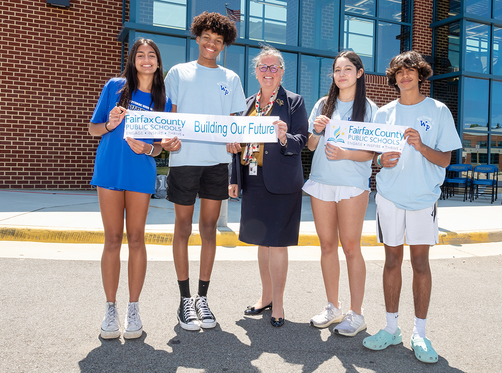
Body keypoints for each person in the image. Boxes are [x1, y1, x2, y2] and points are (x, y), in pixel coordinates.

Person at [362, 51, 462, 363]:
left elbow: (445, 159)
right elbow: (372, 156)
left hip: (422, 200)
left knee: (420, 264)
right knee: (391, 262)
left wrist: (420, 146)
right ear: (393, 77)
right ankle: (392, 329)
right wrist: (380, 160)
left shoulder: (438, 110)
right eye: (400, 72)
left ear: (420, 75)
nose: (405, 76)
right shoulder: (384, 114)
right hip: (390, 198)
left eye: (411, 71)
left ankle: (420, 332)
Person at [162, 11, 246, 331]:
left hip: (216, 162)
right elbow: (169, 116)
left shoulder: (231, 79)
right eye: (207, 38)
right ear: (197, 38)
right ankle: (185, 301)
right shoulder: (179, 73)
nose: (212, 44)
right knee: (182, 228)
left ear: (224, 45)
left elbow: (235, 122)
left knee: (209, 230)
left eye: (218, 41)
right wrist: (167, 139)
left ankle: (202, 298)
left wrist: (235, 139)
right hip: (184, 160)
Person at [88, 38, 172, 339]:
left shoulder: (164, 100)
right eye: (140, 55)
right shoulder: (115, 87)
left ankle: (133, 308)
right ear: (133, 59)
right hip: (110, 168)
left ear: (158, 62)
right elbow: (93, 128)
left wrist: (148, 149)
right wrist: (110, 124)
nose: (146, 60)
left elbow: (162, 149)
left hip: (140, 172)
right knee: (112, 239)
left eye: (152, 55)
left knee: (136, 238)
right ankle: (110, 308)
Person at [228, 46, 308, 328]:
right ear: (256, 72)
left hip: (282, 183)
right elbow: (236, 144)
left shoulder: (294, 102)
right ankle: (265, 297)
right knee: (261, 241)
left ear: (282, 72)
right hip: (253, 180)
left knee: (278, 243)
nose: (268, 72)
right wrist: (234, 178)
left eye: (274, 68)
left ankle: (279, 302)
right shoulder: (247, 104)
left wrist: (285, 138)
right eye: (263, 67)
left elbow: (302, 141)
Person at [304, 51, 378, 336]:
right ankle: (332, 307)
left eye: (348, 69)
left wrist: (346, 153)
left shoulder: (370, 109)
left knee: (350, 247)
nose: (342, 74)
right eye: (337, 70)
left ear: (359, 73)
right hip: (321, 182)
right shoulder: (324, 104)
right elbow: (310, 145)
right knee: (326, 246)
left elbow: (371, 154)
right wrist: (317, 130)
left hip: (352, 185)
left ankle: (356, 313)